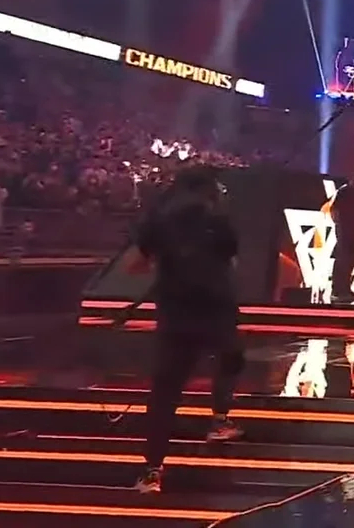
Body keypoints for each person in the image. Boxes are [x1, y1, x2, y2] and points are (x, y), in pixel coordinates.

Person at [133, 165, 245, 494]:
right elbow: (231, 256)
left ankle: (151, 471)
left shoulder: (159, 217)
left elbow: (140, 259)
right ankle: (220, 419)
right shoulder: (216, 218)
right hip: (214, 310)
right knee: (231, 358)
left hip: (176, 314)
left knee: (165, 393)